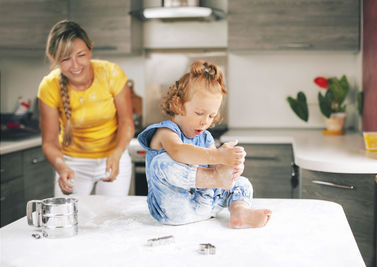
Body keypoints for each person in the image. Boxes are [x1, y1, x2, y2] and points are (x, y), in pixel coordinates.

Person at [138, 60, 272, 228]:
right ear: (179, 104)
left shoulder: (206, 137)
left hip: (206, 206)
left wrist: (228, 165)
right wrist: (217, 160)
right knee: (161, 163)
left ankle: (239, 213)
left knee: (242, 183)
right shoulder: (166, 131)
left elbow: (214, 167)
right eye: (199, 113)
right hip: (174, 209)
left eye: (211, 116)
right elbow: (179, 151)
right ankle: (216, 183)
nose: (205, 122)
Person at [38, 20, 134, 196]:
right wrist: (61, 166)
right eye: (65, 59)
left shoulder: (111, 73)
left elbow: (127, 121)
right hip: (72, 164)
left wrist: (117, 153)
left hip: (113, 157)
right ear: (54, 59)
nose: (75, 65)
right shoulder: (49, 86)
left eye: (81, 55)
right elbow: (49, 142)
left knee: (109, 218)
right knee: (67, 219)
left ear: (90, 49)